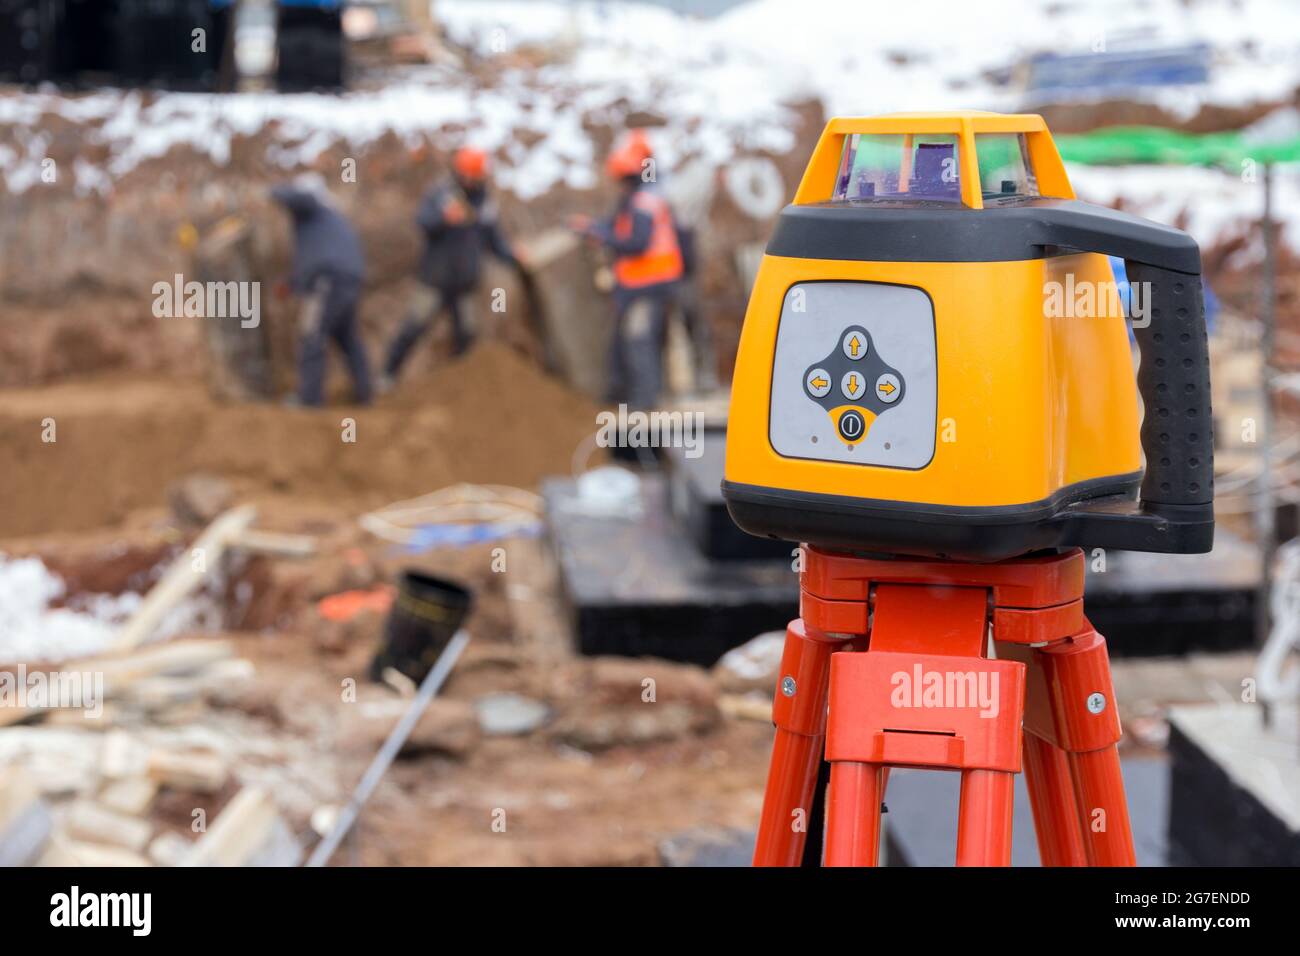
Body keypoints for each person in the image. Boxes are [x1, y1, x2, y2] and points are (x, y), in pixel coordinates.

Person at [381, 147, 524, 388]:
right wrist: (444, 219)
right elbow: (423, 222)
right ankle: (386, 376)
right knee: (414, 326)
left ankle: (461, 388)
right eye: (466, 174)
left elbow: (494, 240)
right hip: (435, 278)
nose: (470, 180)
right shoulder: (440, 193)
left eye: (475, 176)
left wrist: (514, 256)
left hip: (466, 283)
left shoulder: (485, 203)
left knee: (467, 335)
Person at [570, 139, 684, 409]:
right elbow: (613, 225)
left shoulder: (644, 203)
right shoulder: (633, 200)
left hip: (650, 284)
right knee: (625, 341)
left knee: (639, 339)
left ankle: (645, 401)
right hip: (638, 285)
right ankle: (622, 395)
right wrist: (594, 228)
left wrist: (604, 237)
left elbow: (636, 243)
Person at [270, 175, 371, 406]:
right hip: (349, 281)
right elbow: (315, 258)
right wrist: (292, 283)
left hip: (328, 281)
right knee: (347, 338)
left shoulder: (313, 208)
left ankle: (309, 399)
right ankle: (365, 393)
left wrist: (269, 190)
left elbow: (299, 198)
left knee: (312, 335)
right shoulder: (331, 221)